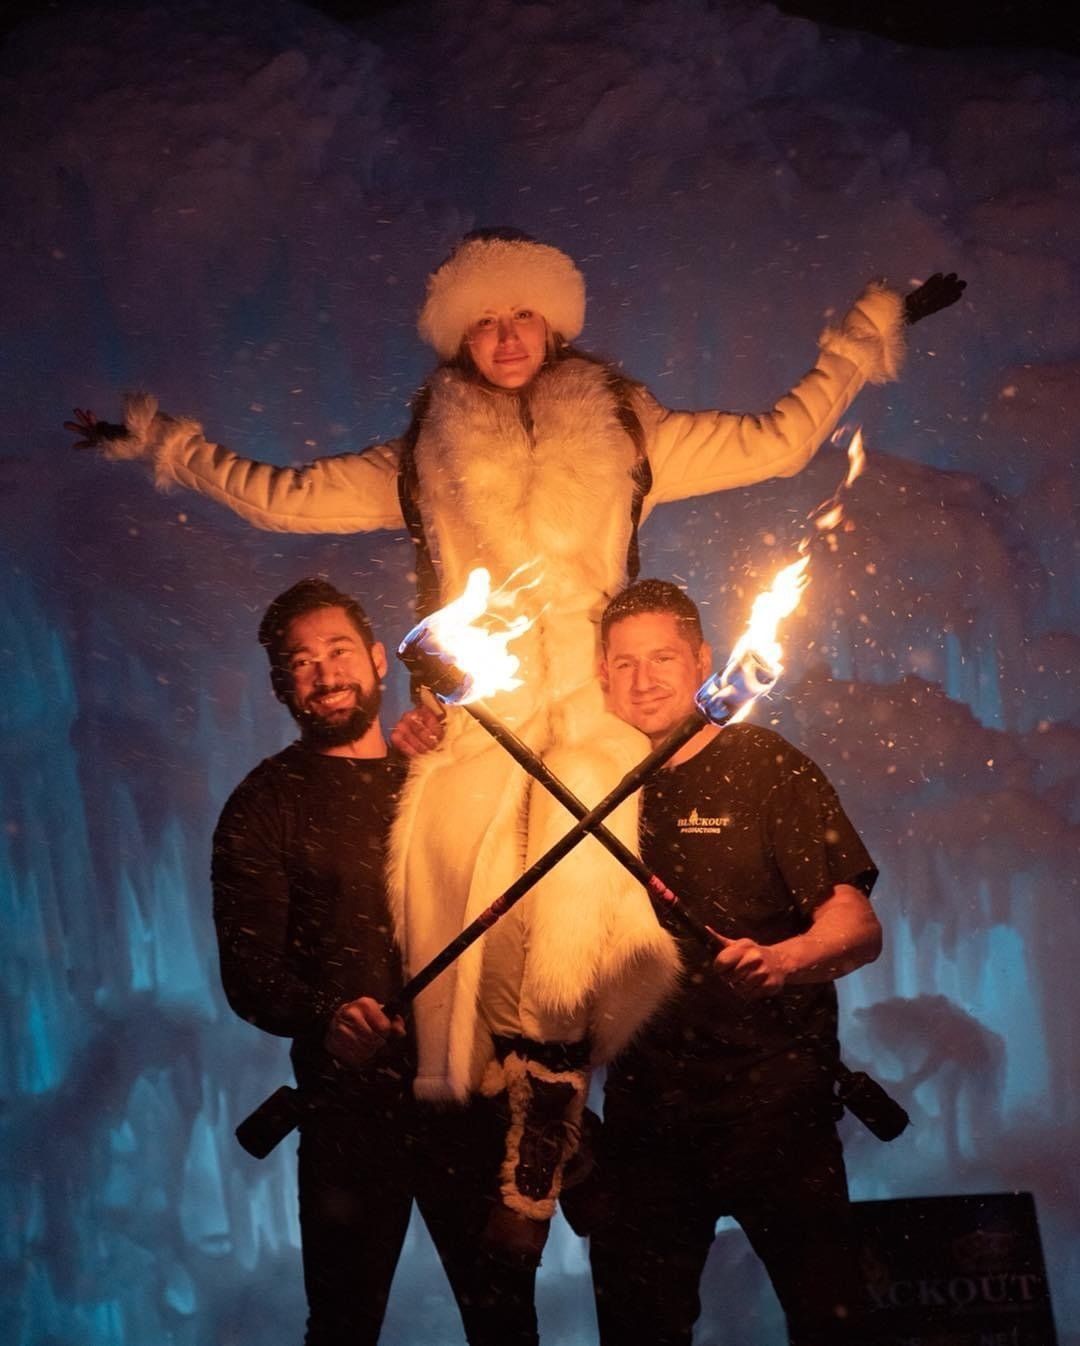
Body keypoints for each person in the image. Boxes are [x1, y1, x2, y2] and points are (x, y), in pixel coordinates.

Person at [70, 231, 959, 1254]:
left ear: (554, 321)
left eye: (523, 314)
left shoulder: (630, 429)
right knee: (463, 929)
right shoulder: (420, 456)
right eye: (484, 320)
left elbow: (781, 439)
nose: (505, 337)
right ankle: (516, 1136)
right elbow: (281, 494)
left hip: (596, 717)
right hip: (476, 722)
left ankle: (557, 1122)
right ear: (459, 335)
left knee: (583, 925)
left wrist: (864, 334)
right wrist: (159, 443)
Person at [212, 576, 539, 1345]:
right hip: (346, 1118)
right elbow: (248, 969)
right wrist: (325, 1019)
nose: (325, 674)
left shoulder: (436, 776)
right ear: (280, 685)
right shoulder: (264, 803)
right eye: (302, 662)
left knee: (504, 1326)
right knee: (343, 1327)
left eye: (338, 651)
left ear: (378, 661)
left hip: (468, 1103)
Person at [586, 578, 883, 1346]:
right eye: (624, 663)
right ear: (600, 674)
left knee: (832, 1324)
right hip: (643, 1123)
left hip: (775, 1109)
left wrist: (787, 959)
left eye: (663, 658)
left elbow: (856, 924)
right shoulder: (585, 786)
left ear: (703, 662)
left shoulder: (765, 764)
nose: (644, 679)